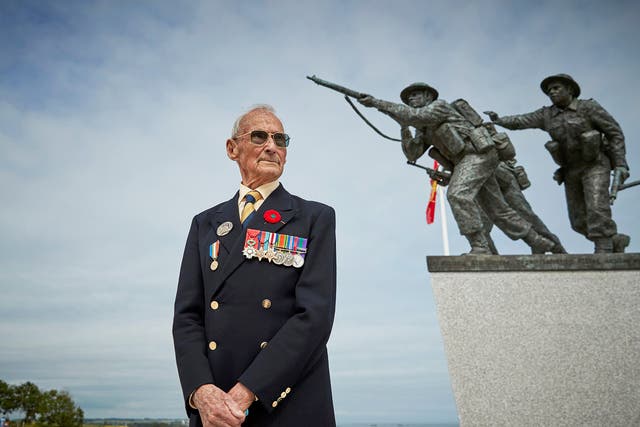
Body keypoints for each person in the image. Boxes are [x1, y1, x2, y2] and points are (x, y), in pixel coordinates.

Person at [173, 105, 337, 427]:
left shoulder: (314, 218)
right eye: (260, 136)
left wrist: (245, 393)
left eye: (280, 139)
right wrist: (201, 392)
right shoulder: (205, 223)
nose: (272, 146)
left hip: (288, 404)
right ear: (232, 148)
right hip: (215, 411)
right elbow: (188, 316)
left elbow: (313, 317)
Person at [359, 83, 556, 254]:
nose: (411, 98)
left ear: (428, 96)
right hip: (467, 161)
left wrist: (377, 103)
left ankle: (480, 247)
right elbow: (412, 153)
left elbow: (415, 115)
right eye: (409, 97)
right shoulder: (422, 127)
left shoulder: (439, 107)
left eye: (415, 94)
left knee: (457, 194)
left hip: (478, 154)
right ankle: (538, 241)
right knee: (497, 210)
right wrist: (403, 127)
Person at [485, 73, 631, 253]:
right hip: (571, 169)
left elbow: (614, 133)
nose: (551, 92)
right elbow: (522, 120)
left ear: (569, 89)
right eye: (549, 91)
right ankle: (615, 240)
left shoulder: (588, 108)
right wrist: (499, 120)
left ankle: (604, 248)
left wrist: (620, 164)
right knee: (577, 221)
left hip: (595, 164)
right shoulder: (547, 114)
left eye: (556, 88)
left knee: (596, 207)